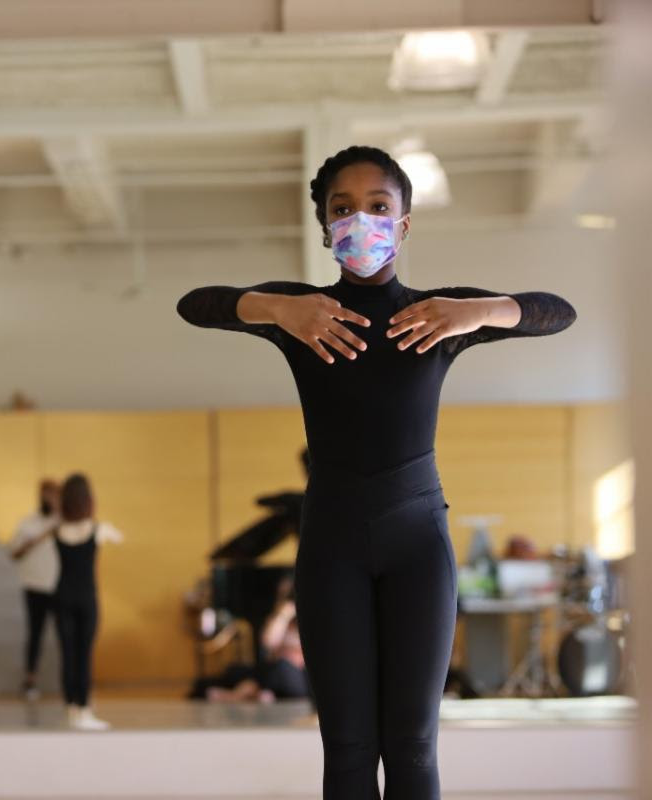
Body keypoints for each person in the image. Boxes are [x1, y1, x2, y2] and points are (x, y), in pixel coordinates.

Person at [177, 145, 575, 799]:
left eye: (378, 205)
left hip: (418, 544)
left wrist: (477, 311)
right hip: (331, 546)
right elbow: (196, 304)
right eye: (343, 208)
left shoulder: (438, 314)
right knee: (349, 750)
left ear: (404, 223)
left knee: (413, 745)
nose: (360, 219)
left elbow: (556, 310)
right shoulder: (304, 313)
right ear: (325, 226)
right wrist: (278, 309)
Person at [50, 473, 123, 731]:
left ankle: (72, 707)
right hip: (85, 597)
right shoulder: (97, 529)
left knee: (68, 654)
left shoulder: (57, 529)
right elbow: (120, 537)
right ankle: (83, 708)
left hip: (62, 596)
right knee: (83, 654)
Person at [8, 479, 61, 699]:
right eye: (45, 493)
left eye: (53, 493)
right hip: (34, 585)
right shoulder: (28, 523)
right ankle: (30, 680)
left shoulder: (66, 523)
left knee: (65, 635)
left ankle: (70, 680)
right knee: (35, 634)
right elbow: (14, 553)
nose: (49, 497)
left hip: (59, 586)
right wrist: (39, 538)